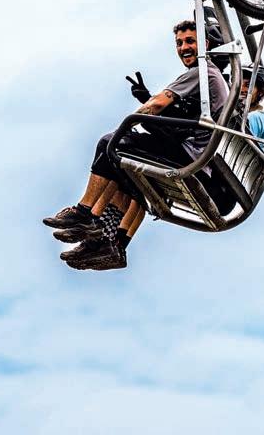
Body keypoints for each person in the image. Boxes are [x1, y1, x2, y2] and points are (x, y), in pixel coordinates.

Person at [43, 17, 230, 271]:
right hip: (193, 155)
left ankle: (85, 213)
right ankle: (110, 241)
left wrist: (130, 122)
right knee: (124, 174)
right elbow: (176, 115)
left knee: (110, 143)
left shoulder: (203, 72)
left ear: (205, 44)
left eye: (190, 41)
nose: (184, 48)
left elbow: (157, 105)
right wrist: (146, 101)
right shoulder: (209, 78)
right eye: (179, 43)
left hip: (189, 157)